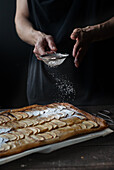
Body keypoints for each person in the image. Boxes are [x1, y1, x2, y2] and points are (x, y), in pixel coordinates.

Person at [15, 0, 114, 106]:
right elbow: (21, 17)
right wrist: (36, 37)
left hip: (97, 87)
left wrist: (95, 32)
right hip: (43, 87)